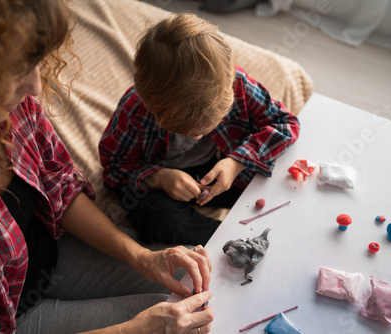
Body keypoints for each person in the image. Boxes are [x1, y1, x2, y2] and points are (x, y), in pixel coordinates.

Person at [0, 1, 213, 333]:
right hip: (11, 319)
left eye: (35, 62)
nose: (35, 86)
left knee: (196, 284)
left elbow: (61, 188)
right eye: (15, 70)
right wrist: (134, 329)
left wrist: (141, 257)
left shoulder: (13, 110)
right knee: (185, 323)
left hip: (53, 257)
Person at [99, 14, 300, 246]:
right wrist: (158, 178)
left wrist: (237, 162)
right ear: (151, 103)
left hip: (220, 165)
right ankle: (231, 239)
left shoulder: (238, 84)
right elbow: (113, 167)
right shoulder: (135, 109)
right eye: (183, 128)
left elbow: (286, 123)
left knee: (271, 178)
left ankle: (261, 223)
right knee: (158, 220)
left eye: (208, 125)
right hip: (159, 175)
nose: (195, 136)